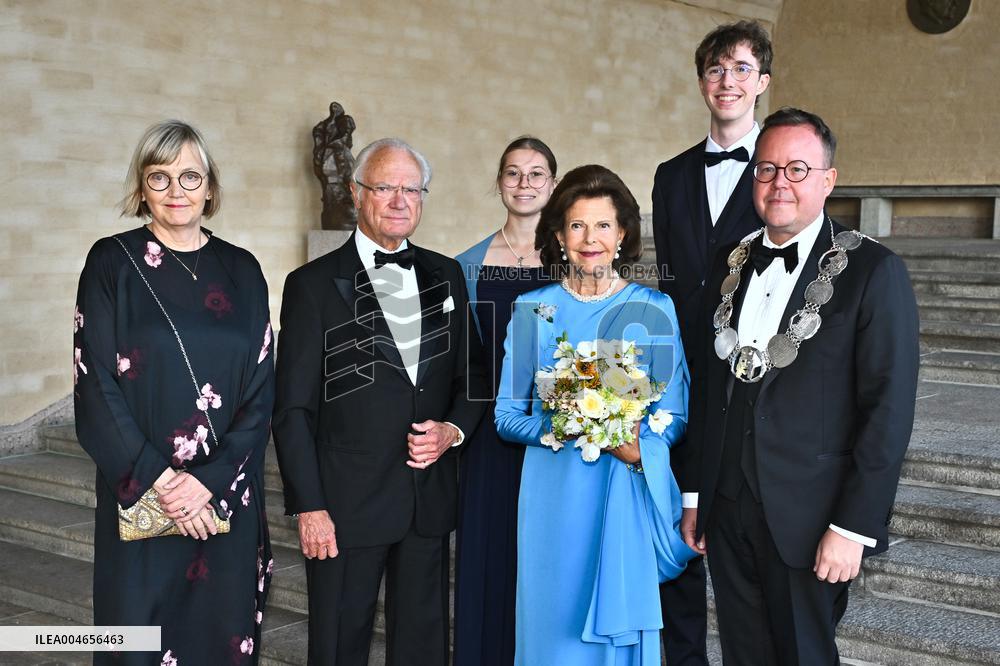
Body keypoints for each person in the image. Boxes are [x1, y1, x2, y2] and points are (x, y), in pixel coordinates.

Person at [681, 108, 919, 664]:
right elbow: (708, 389)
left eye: (796, 169)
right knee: (743, 652)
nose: (779, 183)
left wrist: (852, 527)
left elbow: (888, 410)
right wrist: (698, 495)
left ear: (828, 180)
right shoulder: (728, 261)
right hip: (728, 505)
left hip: (813, 517)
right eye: (766, 169)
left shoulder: (873, 272)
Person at [272, 138, 487, 666]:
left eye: (411, 189)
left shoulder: (447, 275)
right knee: (339, 645)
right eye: (385, 187)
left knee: (424, 647)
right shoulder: (312, 285)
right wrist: (309, 505)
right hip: (344, 508)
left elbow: (474, 375)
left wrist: (452, 432)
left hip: (425, 500)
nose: (399, 200)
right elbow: (293, 410)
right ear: (355, 192)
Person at [73, 120, 275, 665]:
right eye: (159, 178)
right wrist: (165, 484)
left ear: (210, 187)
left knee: (218, 641)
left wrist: (207, 483)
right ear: (142, 189)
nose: (176, 191)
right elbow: (94, 382)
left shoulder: (243, 269)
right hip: (141, 496)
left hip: (224, 500)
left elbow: (261, 390)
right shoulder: (110, 263)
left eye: (190, 176)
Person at [496, 164, 697, 665]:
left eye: (603, 225)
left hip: (621, 488)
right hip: (553, 495)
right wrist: (566, 424)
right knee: (553, 634)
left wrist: (633, 447)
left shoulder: (654, 307)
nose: (591, 239)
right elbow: (505, 415)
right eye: (578, 226)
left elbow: (674, 414)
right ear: (560, 234)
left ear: (623, 233)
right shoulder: (533, 308)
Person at [651, 21, 772, 662]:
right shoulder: (669, 175)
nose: (728, 81)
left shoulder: (779, 172)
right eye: (716, 70)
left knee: (741, 530)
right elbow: (670, 274)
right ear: (702, 83)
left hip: (749, 375)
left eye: (741, 69)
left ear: (763, 83)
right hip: (680, 370)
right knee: (677, 527)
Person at [454, 136, 557, 666]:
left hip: (557, 434)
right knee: (491, 556)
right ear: (498, 183)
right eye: (513, 173)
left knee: (546, 559)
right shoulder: (466, 264)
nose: (524, 184)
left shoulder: (573, 260)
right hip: (489, 434)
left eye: (535, 174)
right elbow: (458, 360)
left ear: (553, 185)